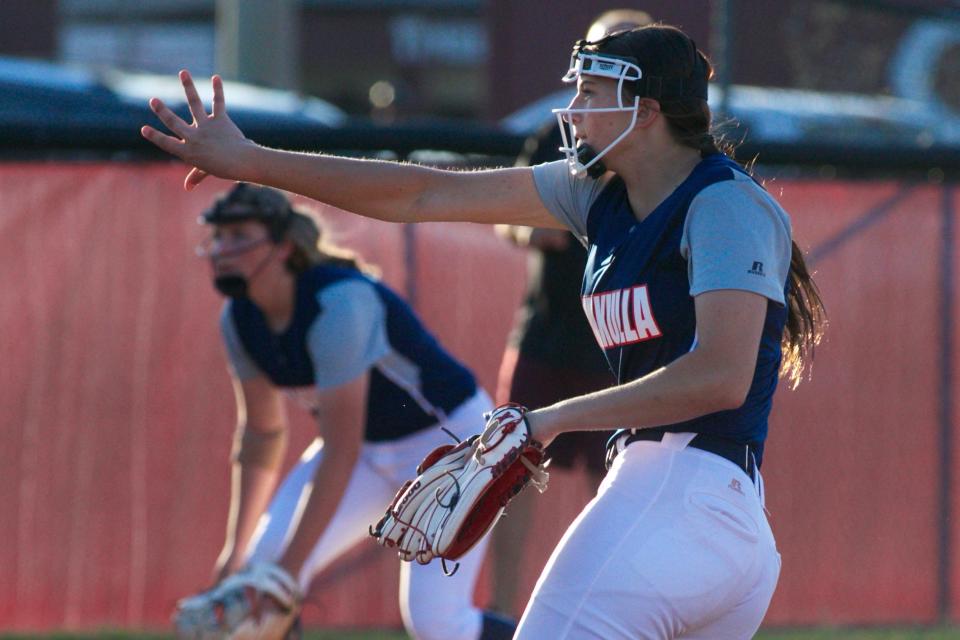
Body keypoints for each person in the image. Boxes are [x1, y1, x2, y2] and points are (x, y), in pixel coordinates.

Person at [142, 22, 826, 639]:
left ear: (646, 112)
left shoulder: (723, 203)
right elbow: (422, 194)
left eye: (592, 93)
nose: (574, 110)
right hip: (686, 511)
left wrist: (550, 419)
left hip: (685, 499)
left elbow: (721, 376)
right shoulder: (597, 193)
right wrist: (256, 162)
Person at [178, 183, 516, 640]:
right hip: (367, 450)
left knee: (438, 623)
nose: (223, 249)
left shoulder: (338, 303)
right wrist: (236, 555)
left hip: (452, 445)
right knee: (253, 579)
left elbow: (341, 447)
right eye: (219, 236)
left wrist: (286, 575)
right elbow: (261, 434)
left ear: (283, 245)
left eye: (240, 234)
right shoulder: (240, 318)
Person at [489, 9, 651, 618]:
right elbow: (502, 209)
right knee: (510, 473)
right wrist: (533, 235)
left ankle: (616, 614)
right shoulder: (564, 137)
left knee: (617, 485)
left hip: (621, 340)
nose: (587, 91)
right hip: (548, 330)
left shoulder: (668, 156)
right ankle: (502, 616)